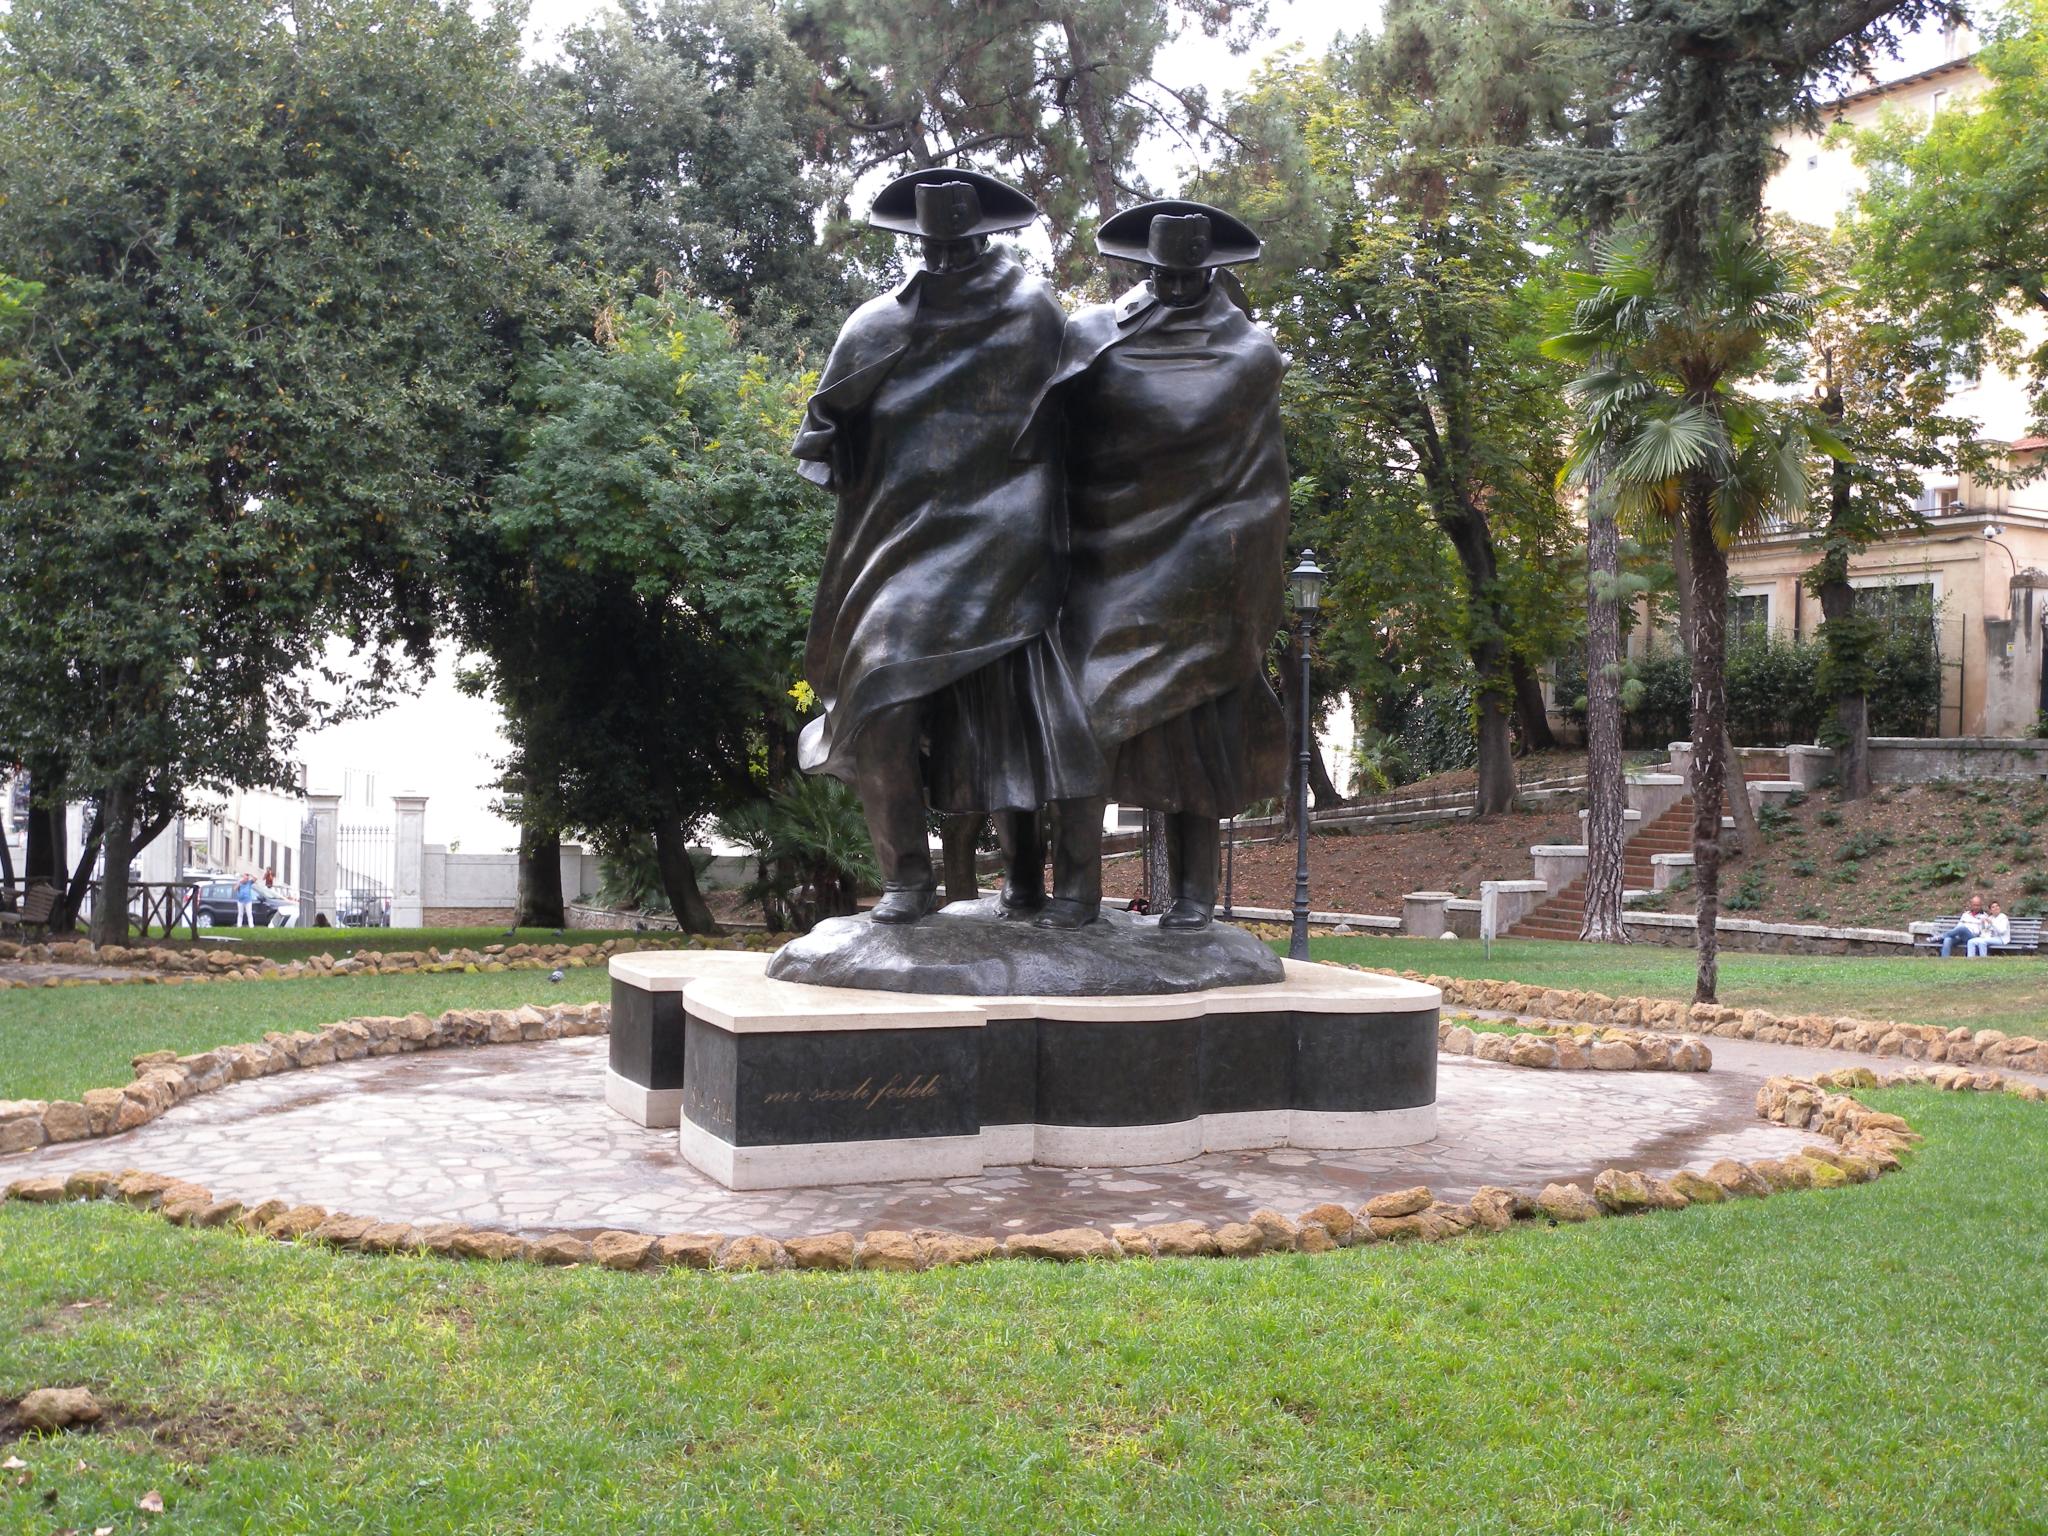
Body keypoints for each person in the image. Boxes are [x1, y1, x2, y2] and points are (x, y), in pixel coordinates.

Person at [791, 168, 1103, 924]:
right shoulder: (876, 323)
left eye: (957, 246)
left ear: (983, 236)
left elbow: (1081, 420)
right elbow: (825, 427)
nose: (944, 259)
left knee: (1008, 715)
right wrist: (842, 438)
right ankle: (906, 877)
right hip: (904, 541)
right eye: (931, 247)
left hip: (1006, 540)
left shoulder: (1031, 312)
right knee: (879, 699)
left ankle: (1025, 877)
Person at [1027, 199, 1291, 929]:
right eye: (1162, 273)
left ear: (1210, 269)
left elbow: (1265, 481)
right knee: (1081, 713)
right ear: (1144, 265)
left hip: (1204, 564)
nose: (1174, 285)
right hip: (1104, 556)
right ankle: (1076, 892)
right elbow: (1043, 439)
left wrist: (1243, 577)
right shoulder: (1091, 335)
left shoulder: (1248, 354)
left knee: (1199, 726)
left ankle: (1195, 903)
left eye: (1188, 274)